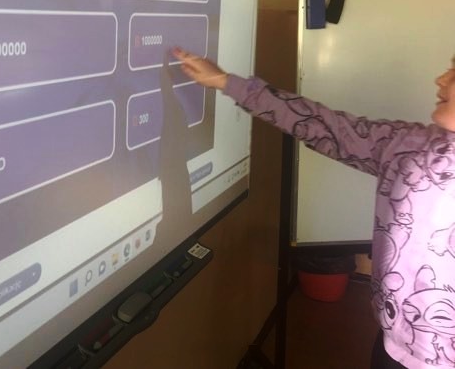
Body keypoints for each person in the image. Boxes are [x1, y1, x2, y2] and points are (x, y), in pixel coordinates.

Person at [172, 47, 455, 369]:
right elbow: (326, 126)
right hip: (393, 344)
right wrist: (226, 82)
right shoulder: (411, 146)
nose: (441, 79)